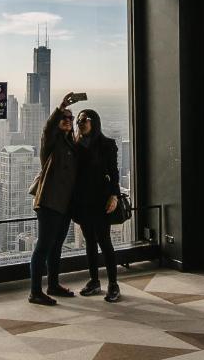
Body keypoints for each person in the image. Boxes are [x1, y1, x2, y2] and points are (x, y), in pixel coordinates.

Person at [27, 92, 84, 305]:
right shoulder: (52, 144)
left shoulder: (72, 145)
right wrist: (60, 107)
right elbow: (47, 129)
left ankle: (52, 284)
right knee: (43, 245)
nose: (68, 121)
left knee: (57, 245)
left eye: (71, 118)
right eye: (64, 118)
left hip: (64, 205)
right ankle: (35, 291)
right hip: (49, 202)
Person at [73, 108, 123, 302]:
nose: (81, 123)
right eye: (79, 121)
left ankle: (113, 284)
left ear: (94, 122)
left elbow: (114, 173)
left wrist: (114, 196)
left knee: (104, 241)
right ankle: (94, 280)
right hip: (82, 202)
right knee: (89, 241)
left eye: (85, 120)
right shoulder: (75, 146)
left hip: (101, 201)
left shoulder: (107, 145)